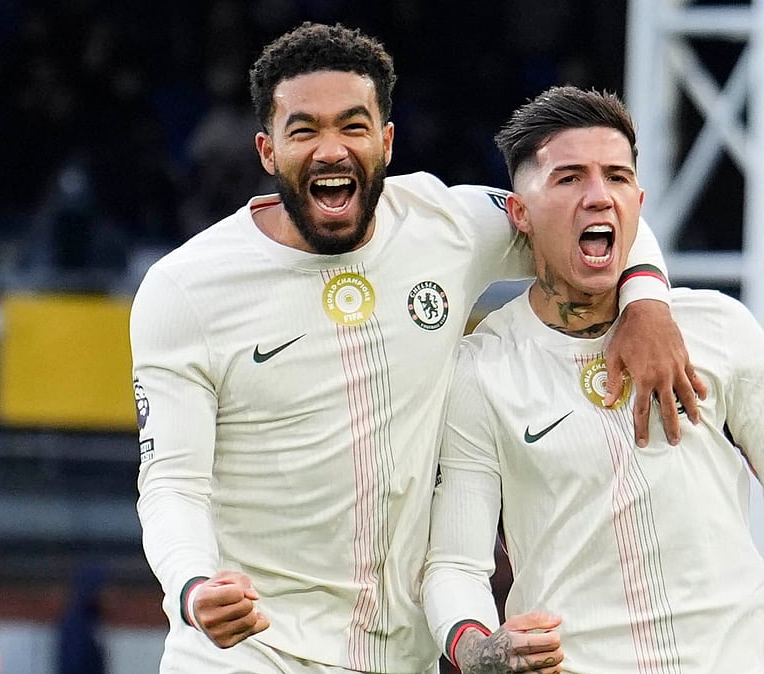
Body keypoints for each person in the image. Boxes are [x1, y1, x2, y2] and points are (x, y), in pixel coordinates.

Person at [130, 22, 707, 674]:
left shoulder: (447, 226)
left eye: (352, 126)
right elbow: (171, 482)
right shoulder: (186, 290)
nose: (331, 150)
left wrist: (646, 301)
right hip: (246, 655)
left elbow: (594, 212)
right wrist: (193, 587)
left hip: (402, 658)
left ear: (386, 140)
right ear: (268, 150)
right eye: (304, 130)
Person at [420, 87, 764, 674]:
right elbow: (456, 564)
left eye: (617, 177)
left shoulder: (720, 327)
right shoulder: (482, 367)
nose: (598, 196)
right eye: (568, 178)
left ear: (638, 203)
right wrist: (475, 648)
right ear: (519, 214)